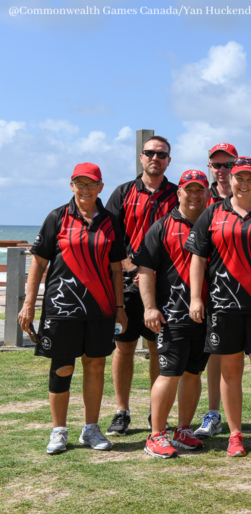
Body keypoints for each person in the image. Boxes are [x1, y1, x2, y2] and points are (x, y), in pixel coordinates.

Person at [186, 156, 251, 458]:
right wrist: (196, 298)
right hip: (223, 306)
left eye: (250, 179)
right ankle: (235, 434)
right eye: (239, 178)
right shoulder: (212, 213)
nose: (243, 184)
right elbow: (198, 257)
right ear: (229, 179)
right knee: (230, 373)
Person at [19, 163, 127, 454]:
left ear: (101, 187)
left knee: (95, 365)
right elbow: (39, 263)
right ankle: (58, 431)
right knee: (62, 366)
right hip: (60, 307)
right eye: (80, 184)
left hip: (101, 307)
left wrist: (120, 307)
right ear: (71, 186)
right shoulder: (57, 217)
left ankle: (91, 429)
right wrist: (29, 304)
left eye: (91, 184)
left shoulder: (110, 220)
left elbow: (116, 269)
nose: (85, 189)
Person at [196, 142, 251, 439]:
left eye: (228, 164)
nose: (223, 169)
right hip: (216, 293)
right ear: (211, 168)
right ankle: (217, 416)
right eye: (217, 165)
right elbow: (195, 251)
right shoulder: (202, 197)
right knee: (220, 358)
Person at [133, 170, 212, 458]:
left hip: (206, 315)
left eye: (199, 190)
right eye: (188, 190)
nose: (194, 195)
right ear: (178, 193)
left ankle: (182, 431)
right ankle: (155, 435)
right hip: (172, 315)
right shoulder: (162, 227)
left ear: (207, 193)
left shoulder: (214, 223)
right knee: (169, 373)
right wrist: (150, 307)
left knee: (193, 373)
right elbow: (145, 270)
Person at [105, 135, 178, 435]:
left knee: (156, 347)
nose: (155, 158)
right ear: (141, 157)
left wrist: (153, 272)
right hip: (126, 284)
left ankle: (154, 411)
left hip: (164, 285)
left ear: (168, 160)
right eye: (149, 153)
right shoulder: (123, 192)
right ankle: (121, 412)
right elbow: (110, 237)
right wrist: (133, 268)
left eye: (161, 154)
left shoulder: (177, 194)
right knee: (123, 347)